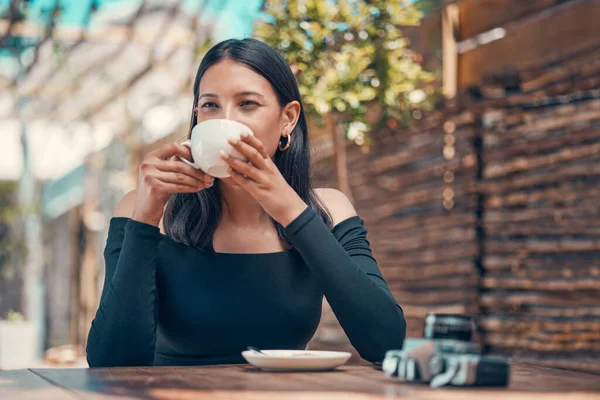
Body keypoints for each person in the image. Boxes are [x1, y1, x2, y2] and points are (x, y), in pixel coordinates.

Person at [86, 38, 406, 367]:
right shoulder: (144, 208)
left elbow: (386, 342)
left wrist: (291, 211)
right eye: (210, 105)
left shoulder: (329, 210)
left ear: (288, 119)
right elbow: (111, 363)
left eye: (247, 104)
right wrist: (146, 218)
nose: (226, 121)